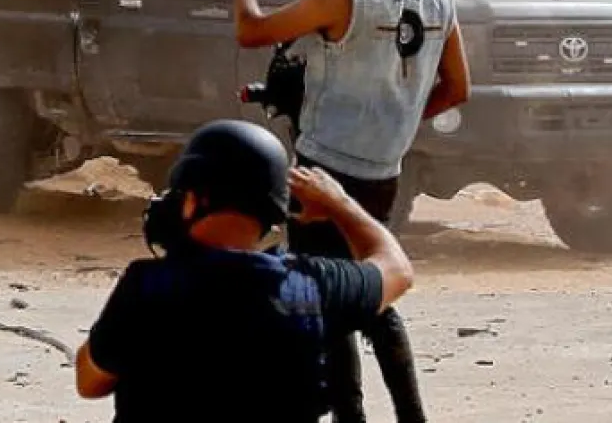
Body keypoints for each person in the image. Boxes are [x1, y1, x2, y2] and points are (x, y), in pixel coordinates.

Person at [232, 0, 471, 423]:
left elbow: (252, 30)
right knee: (373, 289)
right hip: (385, 171)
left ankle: (351, 417)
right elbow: (458, 87)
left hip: (324, 170)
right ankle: (410, 415)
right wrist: (402, 119)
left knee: (327, 297)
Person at [74, 119, 416, 422]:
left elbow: (89, 383)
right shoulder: (313, 287)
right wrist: (338, 203)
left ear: (194, 200)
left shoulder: (146, 286)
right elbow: (396, 269)